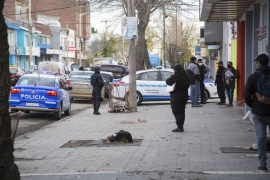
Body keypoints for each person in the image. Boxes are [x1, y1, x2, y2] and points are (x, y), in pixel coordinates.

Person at [243, 53, 270, 173]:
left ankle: (263, 165)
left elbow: (246, 96)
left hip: (259, 113)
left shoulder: (253, 77)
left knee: (261, 138)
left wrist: (254, 106)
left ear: (259, 63)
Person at [166, 64, 190, 132]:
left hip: (176, 97)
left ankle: (179, 127)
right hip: (184, 96)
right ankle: (181, 125)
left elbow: (168, 81)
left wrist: (173, 75)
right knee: (182, 111)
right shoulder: (186, 77)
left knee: (177, 111)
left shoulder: (177, 76)